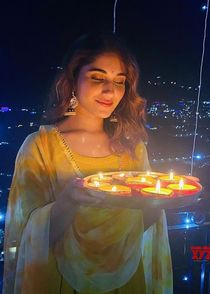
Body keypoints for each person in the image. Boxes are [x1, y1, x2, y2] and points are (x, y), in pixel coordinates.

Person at [3, 33, 173, 294]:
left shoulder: (132, 149)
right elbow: (25, 239)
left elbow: (142, 225)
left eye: (120, 81)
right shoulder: (40, 147)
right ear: (73, 79)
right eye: (97, 77)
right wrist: (69, 202)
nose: (111, 90)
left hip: (126, 278)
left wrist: (161, 200)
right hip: (61, 281)